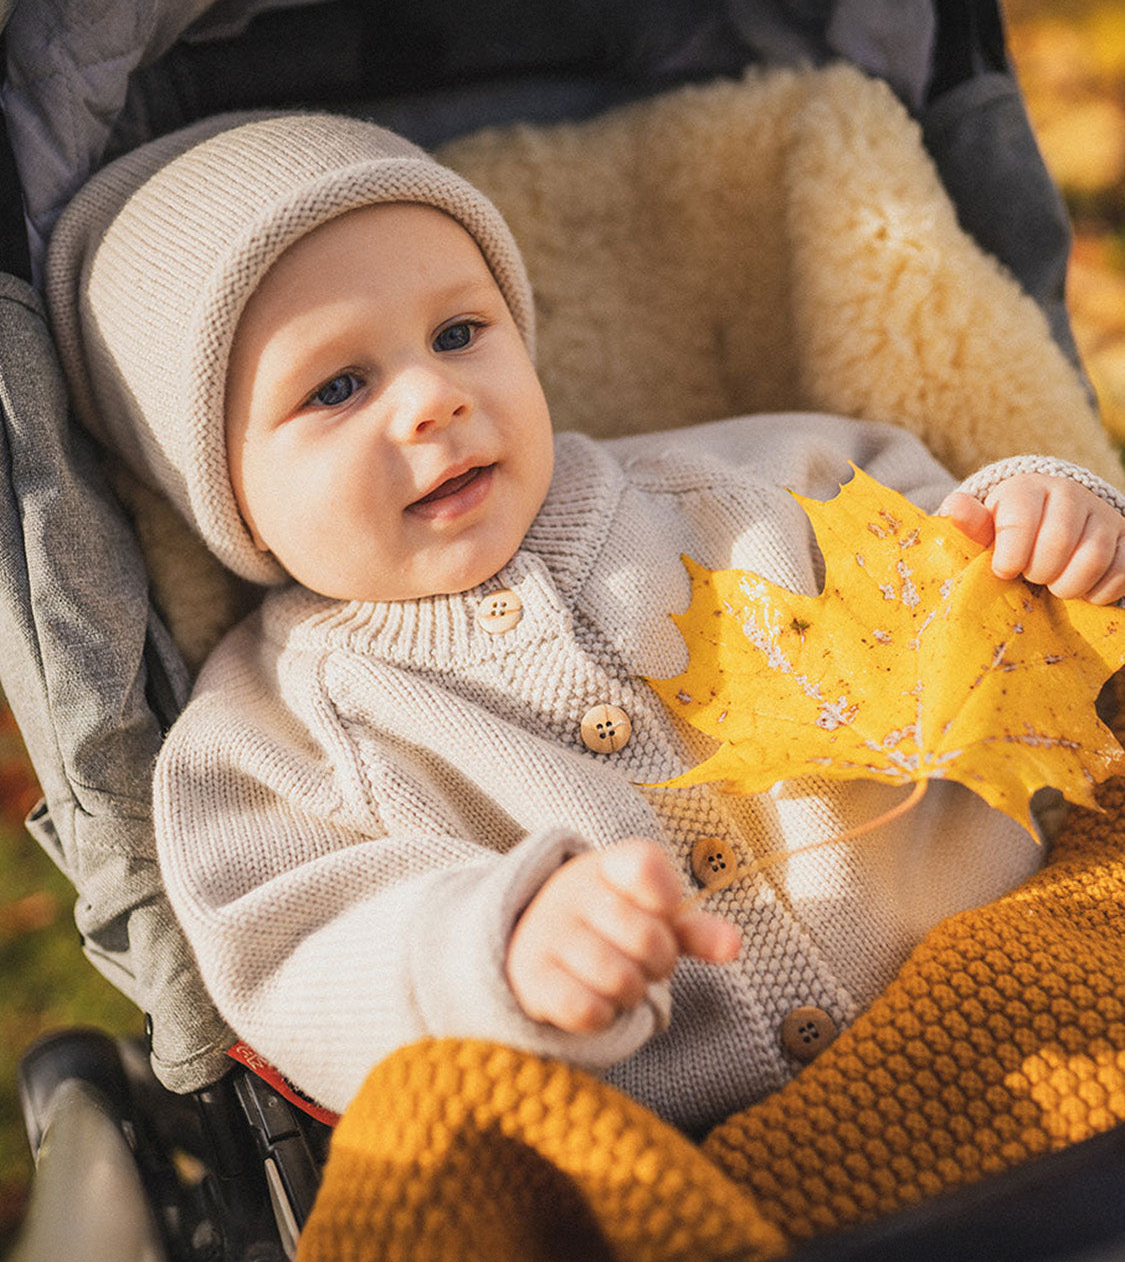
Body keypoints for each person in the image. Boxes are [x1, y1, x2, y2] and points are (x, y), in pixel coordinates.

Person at [46, 111, 1125, 1134]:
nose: (432, 398)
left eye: (461, 332)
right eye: (337, 388)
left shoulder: (742, 486)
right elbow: (296, 955)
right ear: (221, 496)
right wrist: (493, 951)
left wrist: (1046, 512)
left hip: (1021, 958)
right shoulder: (267, 741)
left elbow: (938, 547)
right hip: (672, 1143)